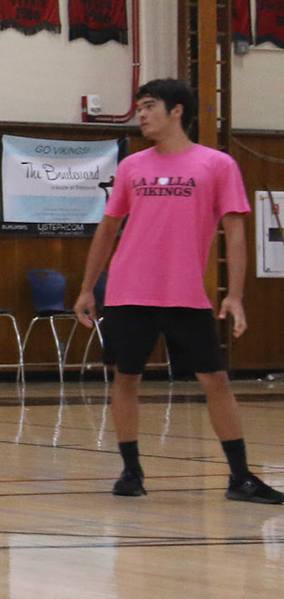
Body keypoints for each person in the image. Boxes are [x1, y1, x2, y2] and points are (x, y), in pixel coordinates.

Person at [74, 79, 283, 503]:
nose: (141, 114)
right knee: (125, 377)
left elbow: (235, 232)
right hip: (129, 291)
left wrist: (235, 294)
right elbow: (109, 228)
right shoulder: (132, 166)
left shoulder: (217, 164)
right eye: (139, 107)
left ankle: (241, 477)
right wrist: (87, 289)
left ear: (177, 111)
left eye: (150, 106)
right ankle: (131, 472)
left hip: (185, 294)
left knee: (216, 380)